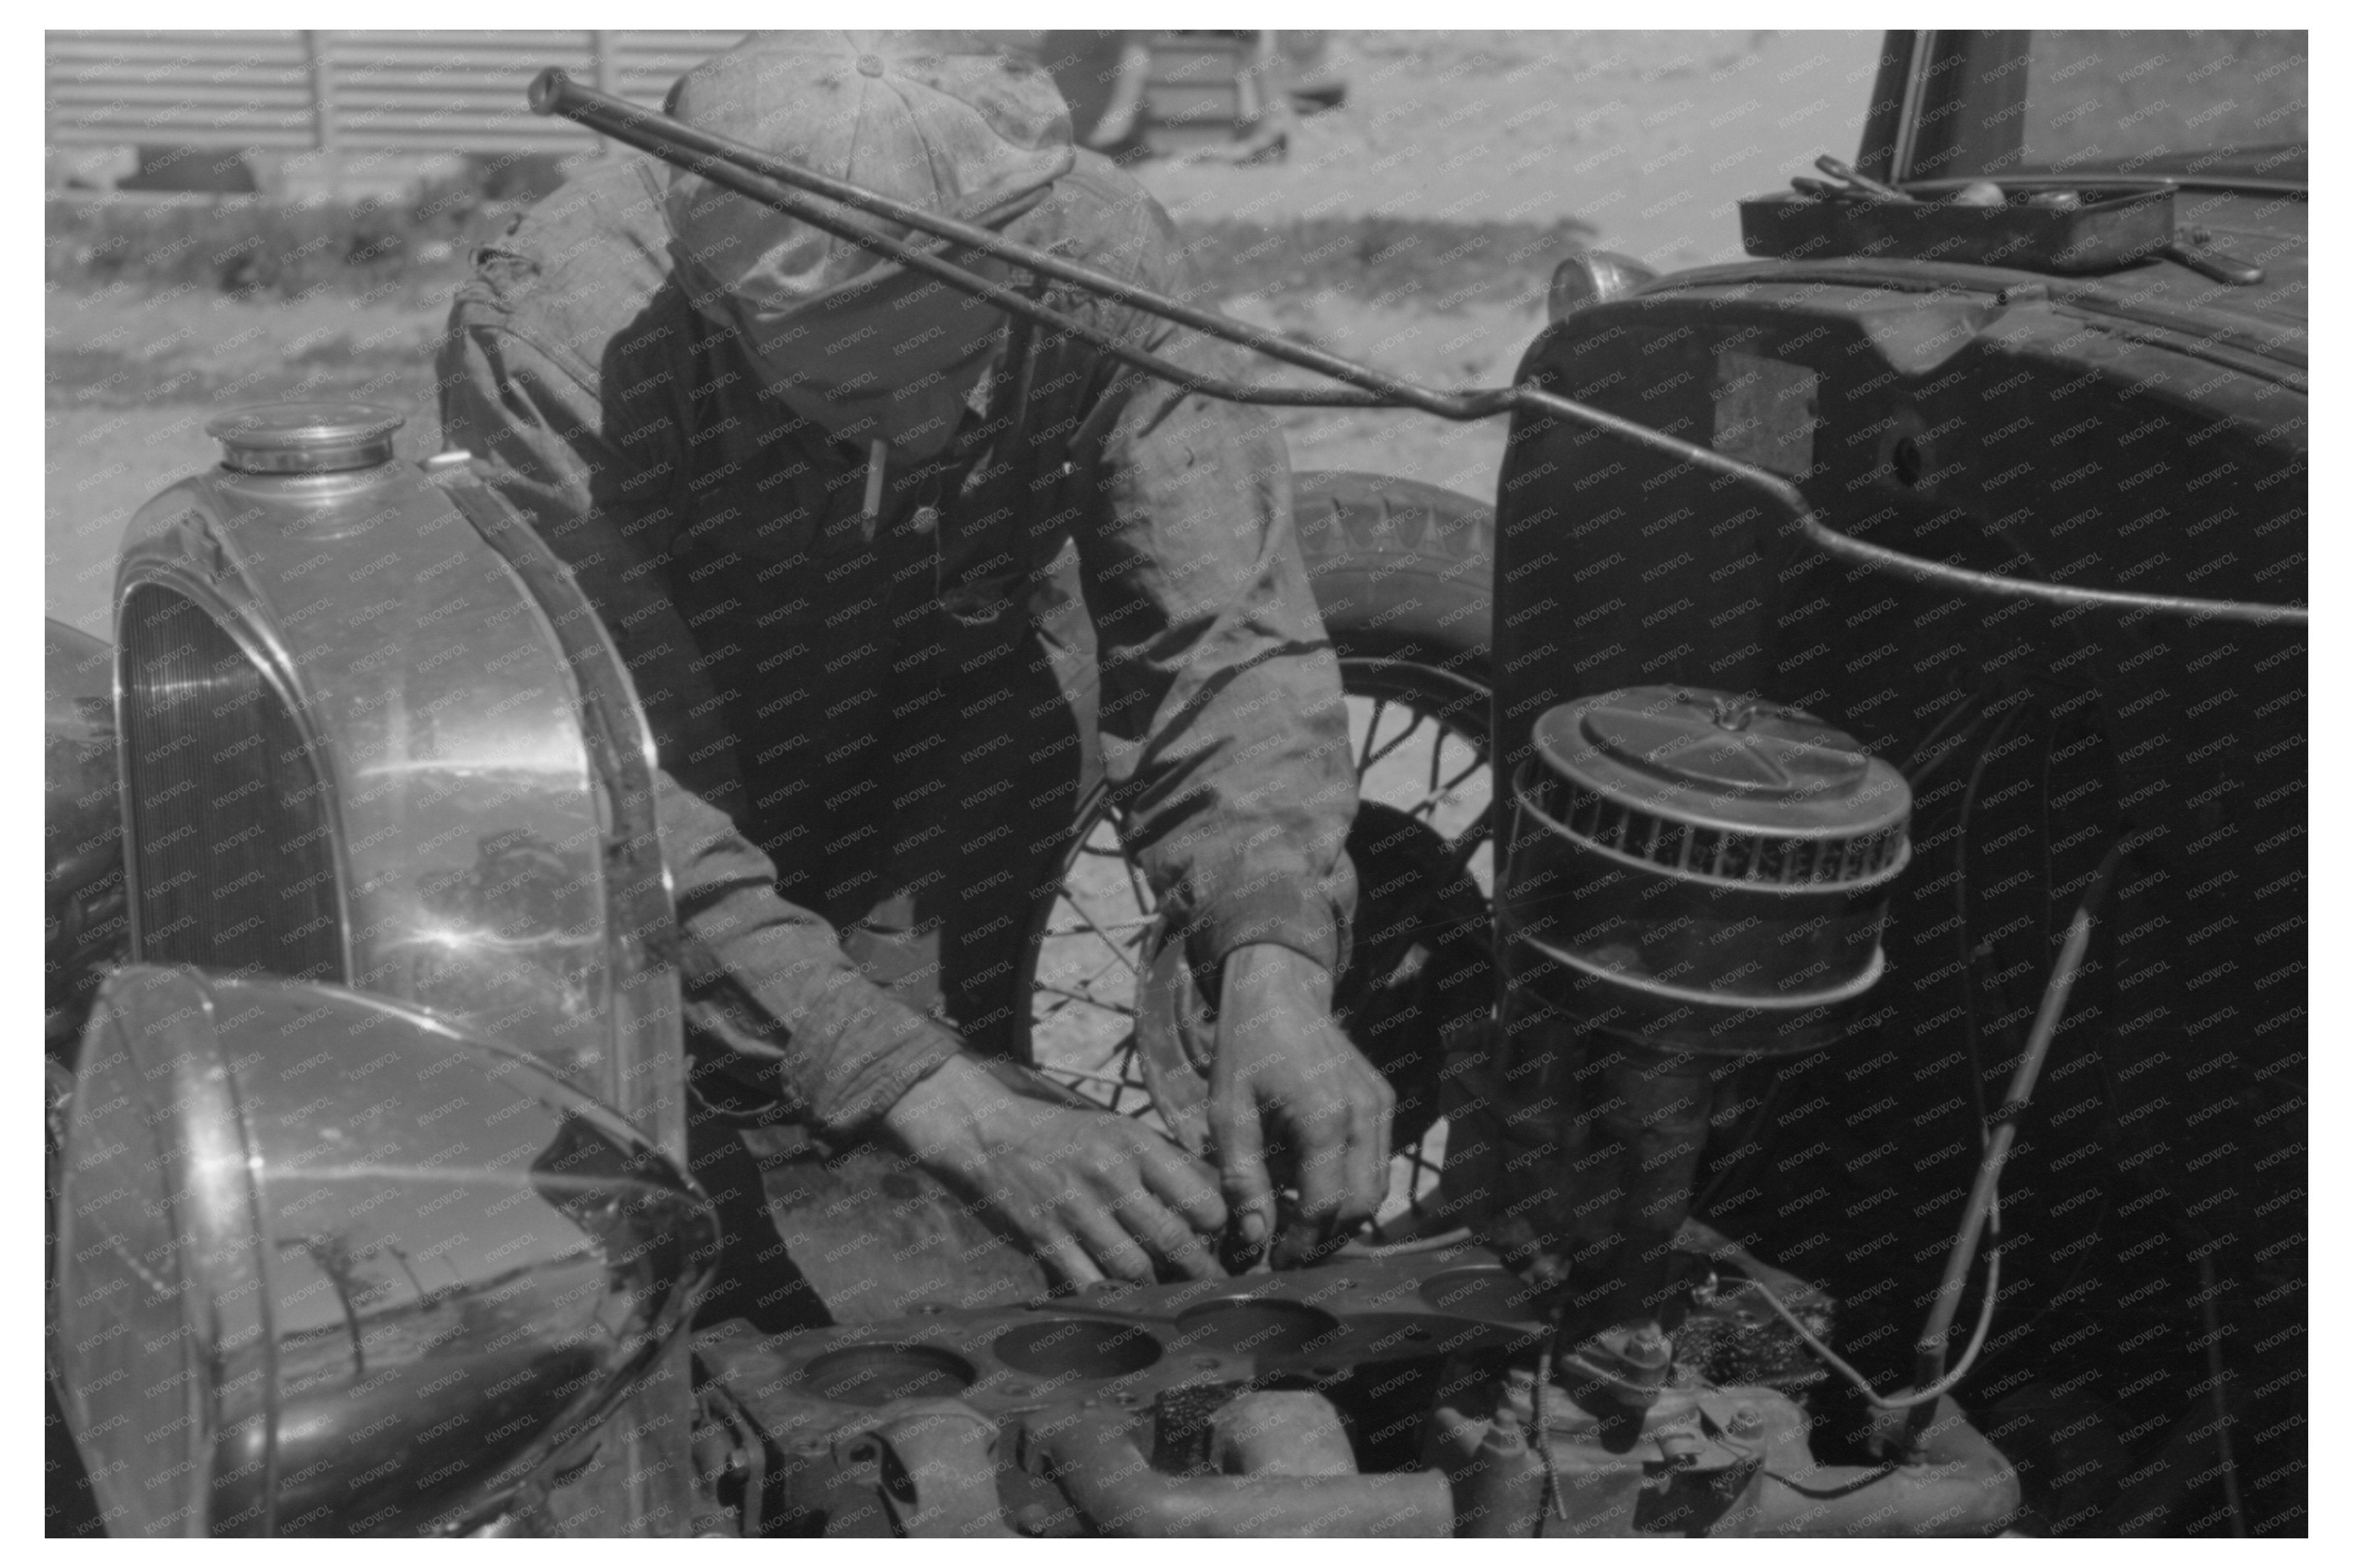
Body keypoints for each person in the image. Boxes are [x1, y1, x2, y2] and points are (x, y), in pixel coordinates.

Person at [437, 30, 1393, 1289]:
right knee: (667, 1200)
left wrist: (1272, 950)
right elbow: (602, 793)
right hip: (703, 736)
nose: (931, 422)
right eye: (861, 395)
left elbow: (1226, 621)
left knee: (928, 1213)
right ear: (726, 314)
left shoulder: (1094, 251)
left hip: (965, 710)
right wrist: (938, 1099)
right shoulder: (558, 345)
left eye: (961, 366)